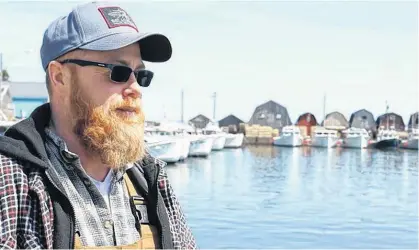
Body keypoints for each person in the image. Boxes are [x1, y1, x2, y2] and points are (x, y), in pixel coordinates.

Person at [0, 1, 197, 249]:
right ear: (60, 76)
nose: (135, 88)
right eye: (118, 72)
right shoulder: (13, 182)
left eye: (141, 75)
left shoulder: (150, 177)